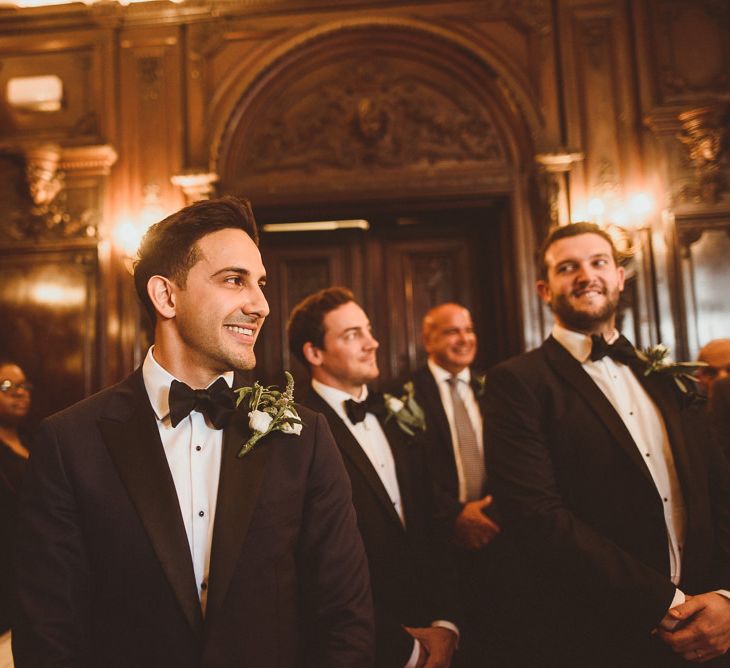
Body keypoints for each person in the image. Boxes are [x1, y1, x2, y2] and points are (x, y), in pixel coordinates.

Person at [13, 197, 374, 667]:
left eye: (260, 284)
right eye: (233, 280)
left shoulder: (304, 439)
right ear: (166, 296)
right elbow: (49, 636)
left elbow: (345, 617)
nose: (261, 305)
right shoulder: (69, 443)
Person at [484, 221, 730, 667]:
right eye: (568, 267)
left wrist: (725, 597)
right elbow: (537, 518)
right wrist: (664, 603)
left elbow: (720, 491)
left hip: (711, 626)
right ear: (544, 289)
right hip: (597, 634)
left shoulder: (668, 376)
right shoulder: (517, 383)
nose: (586, 275)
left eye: (598, 262)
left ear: (619, 277)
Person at [287, 287, 459, 668]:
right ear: (314, 353)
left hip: (435, 626)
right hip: (360, 645)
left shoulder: (395, 414)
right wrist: (403, 647)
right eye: (352, 335)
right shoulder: (294, 434)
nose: (372, 343)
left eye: (368, 330)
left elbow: (434, 523)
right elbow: (310, 569)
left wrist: (445, 623)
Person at [411, 304, 522, 665]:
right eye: (452, 331)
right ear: (428, 339)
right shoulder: (404, 395)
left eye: (469, 330)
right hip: (438, 545)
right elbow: (409, 479)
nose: (465, 339)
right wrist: (457, 516)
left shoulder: (498, 388)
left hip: (500, 537)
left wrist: (490, 514)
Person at [0, 360, 32, 667]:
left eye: (23, 386)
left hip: (32, 569)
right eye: (8, 387)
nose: (19, 394)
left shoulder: (36, 441)